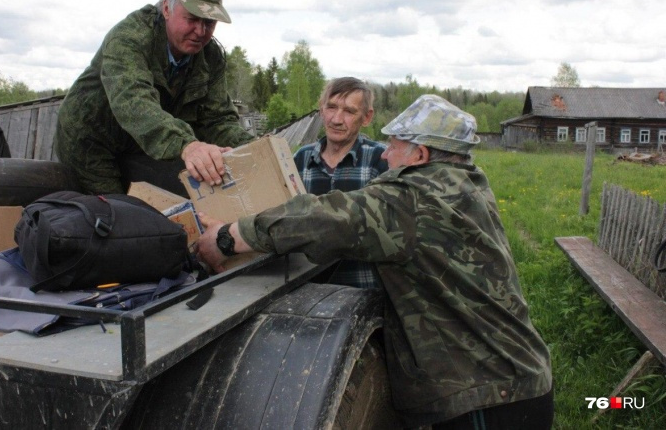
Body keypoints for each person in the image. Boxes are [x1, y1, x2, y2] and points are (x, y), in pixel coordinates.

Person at [195, 95, 554, 429]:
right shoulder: (466, 183)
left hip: (489, 396)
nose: (384, 155)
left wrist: (227, 238)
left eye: (395, 145)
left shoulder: (414, 199)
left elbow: (323, 219)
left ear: (420, 156)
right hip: (510, 379)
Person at [55, 0, 254, 195]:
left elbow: (217, 119)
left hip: (144, 146)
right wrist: (188, 145)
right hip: (92, 142)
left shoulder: (210, 56)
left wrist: (253, 148)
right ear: (167, 9)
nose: (200, 31)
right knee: (117, 215)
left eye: (210, 23)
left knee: (170, 207)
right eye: (192, 19)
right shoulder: (130, 38)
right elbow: (134, 104)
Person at [294, 76, 388, 288]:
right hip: (306, 289)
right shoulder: (300, 159)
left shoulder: (380, 160)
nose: (336, 119)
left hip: (363, 291)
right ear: (321, 109)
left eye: (349, 111)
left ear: (366, 117)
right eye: (331, 107)